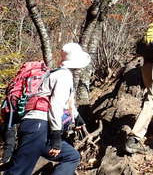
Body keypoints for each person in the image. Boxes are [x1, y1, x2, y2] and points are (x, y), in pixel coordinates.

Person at [4, 43, 90, 175]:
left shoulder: (55, 74)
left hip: (37, 127)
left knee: (72, 157)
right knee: (18, 171)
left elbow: (67, 103)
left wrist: (77, 118)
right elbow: (55, 106)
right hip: (38, 128)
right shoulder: (64, 76)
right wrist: (56, 138)